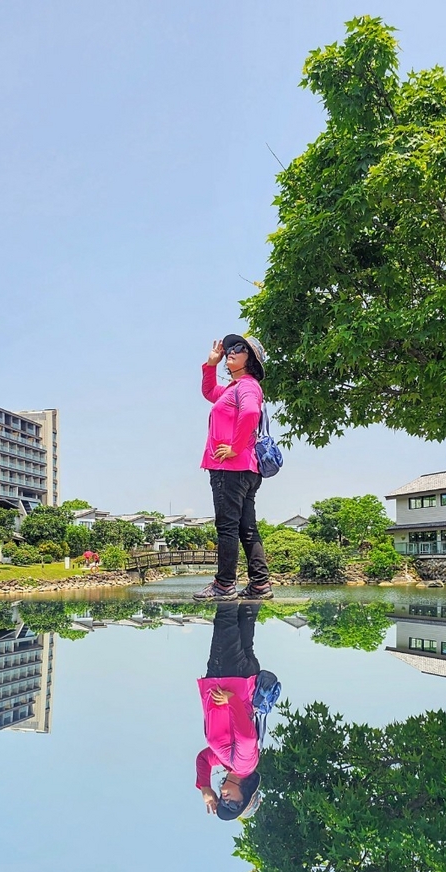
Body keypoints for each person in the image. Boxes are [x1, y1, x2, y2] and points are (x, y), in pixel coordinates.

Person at [193, 334, 273, 601]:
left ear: (251, 359)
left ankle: (224, 584)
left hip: (231, 467)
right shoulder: (233, 388)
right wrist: (211, 364)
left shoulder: (247, 386)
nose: (232, 351)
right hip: (246, 470)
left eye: (240, 348)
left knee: (227, 526)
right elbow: (209, 393)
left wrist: (235, 447)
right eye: (231, 348)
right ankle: (260, 584)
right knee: (246, 528)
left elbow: (250, 413)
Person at [195, 603, 262, 821]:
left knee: (246, 615)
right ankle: (226, 586)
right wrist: (230, 700)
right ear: (246, 793)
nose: (225, 800)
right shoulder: (243, 764)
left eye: (224, 804)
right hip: (229, 679)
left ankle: (258, 585)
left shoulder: (229, 763)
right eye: (234, 804)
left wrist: (205, 786)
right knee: (225, 616)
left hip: (240, 680)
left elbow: (204, 759)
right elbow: (247, 738)